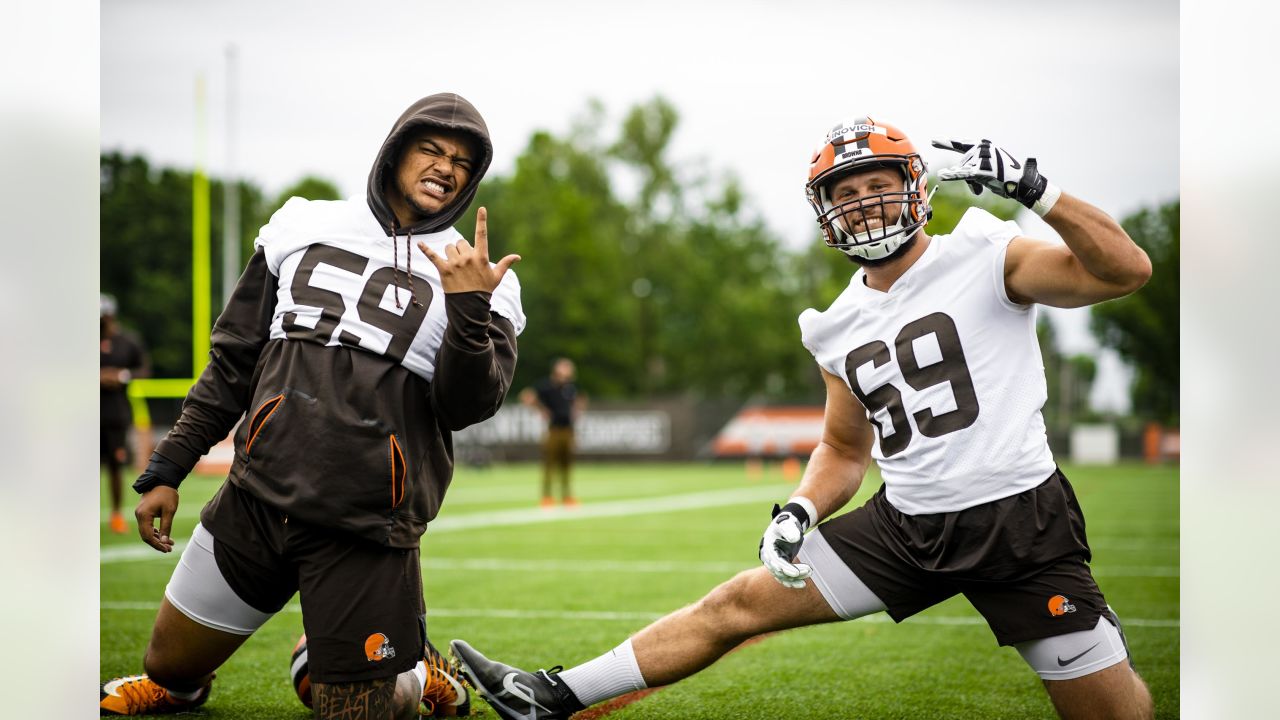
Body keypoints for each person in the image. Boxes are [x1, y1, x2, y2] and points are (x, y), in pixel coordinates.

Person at [450, 117, 1155, 719]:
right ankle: (548, 694)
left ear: (916, 187)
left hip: (1016, 522)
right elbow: (844, 448)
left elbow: (1126, 271)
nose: (864, 203)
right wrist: (798, 509)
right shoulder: (835, 324)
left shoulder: (984, 249)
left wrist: (1039, 192)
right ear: (824, 214)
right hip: (905, 528)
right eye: (845, 194)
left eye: (878, 184)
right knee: (733, 606)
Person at [99, 92, 525, 719]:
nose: (445, 167)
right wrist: (168, 468)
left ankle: (412, 667)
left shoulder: (487, 277)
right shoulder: (304, 224)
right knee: (167, 665)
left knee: (358, 710)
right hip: (257, 498)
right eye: (430, 150)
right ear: (395, 152)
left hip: (366, 522)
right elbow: (234, 361)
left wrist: (468, 306)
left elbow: (468, 405)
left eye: (462, 161)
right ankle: (182, 685)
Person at [100, 293, 149, 534]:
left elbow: (144, 368)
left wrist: (121, 376)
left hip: (115, 414)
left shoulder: (126, 341)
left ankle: (117, 513)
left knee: (115, 466)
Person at [520, 357, 586, 507]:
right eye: (566, 367)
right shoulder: (546, 386)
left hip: (568, 430)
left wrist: (577, 410)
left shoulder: (571, 387)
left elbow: (580, 400)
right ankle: (547, 496)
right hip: (554, 430)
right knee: (549, 464)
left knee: (567, 465)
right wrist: (541, 410)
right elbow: (526, 395)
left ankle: (567, 496)